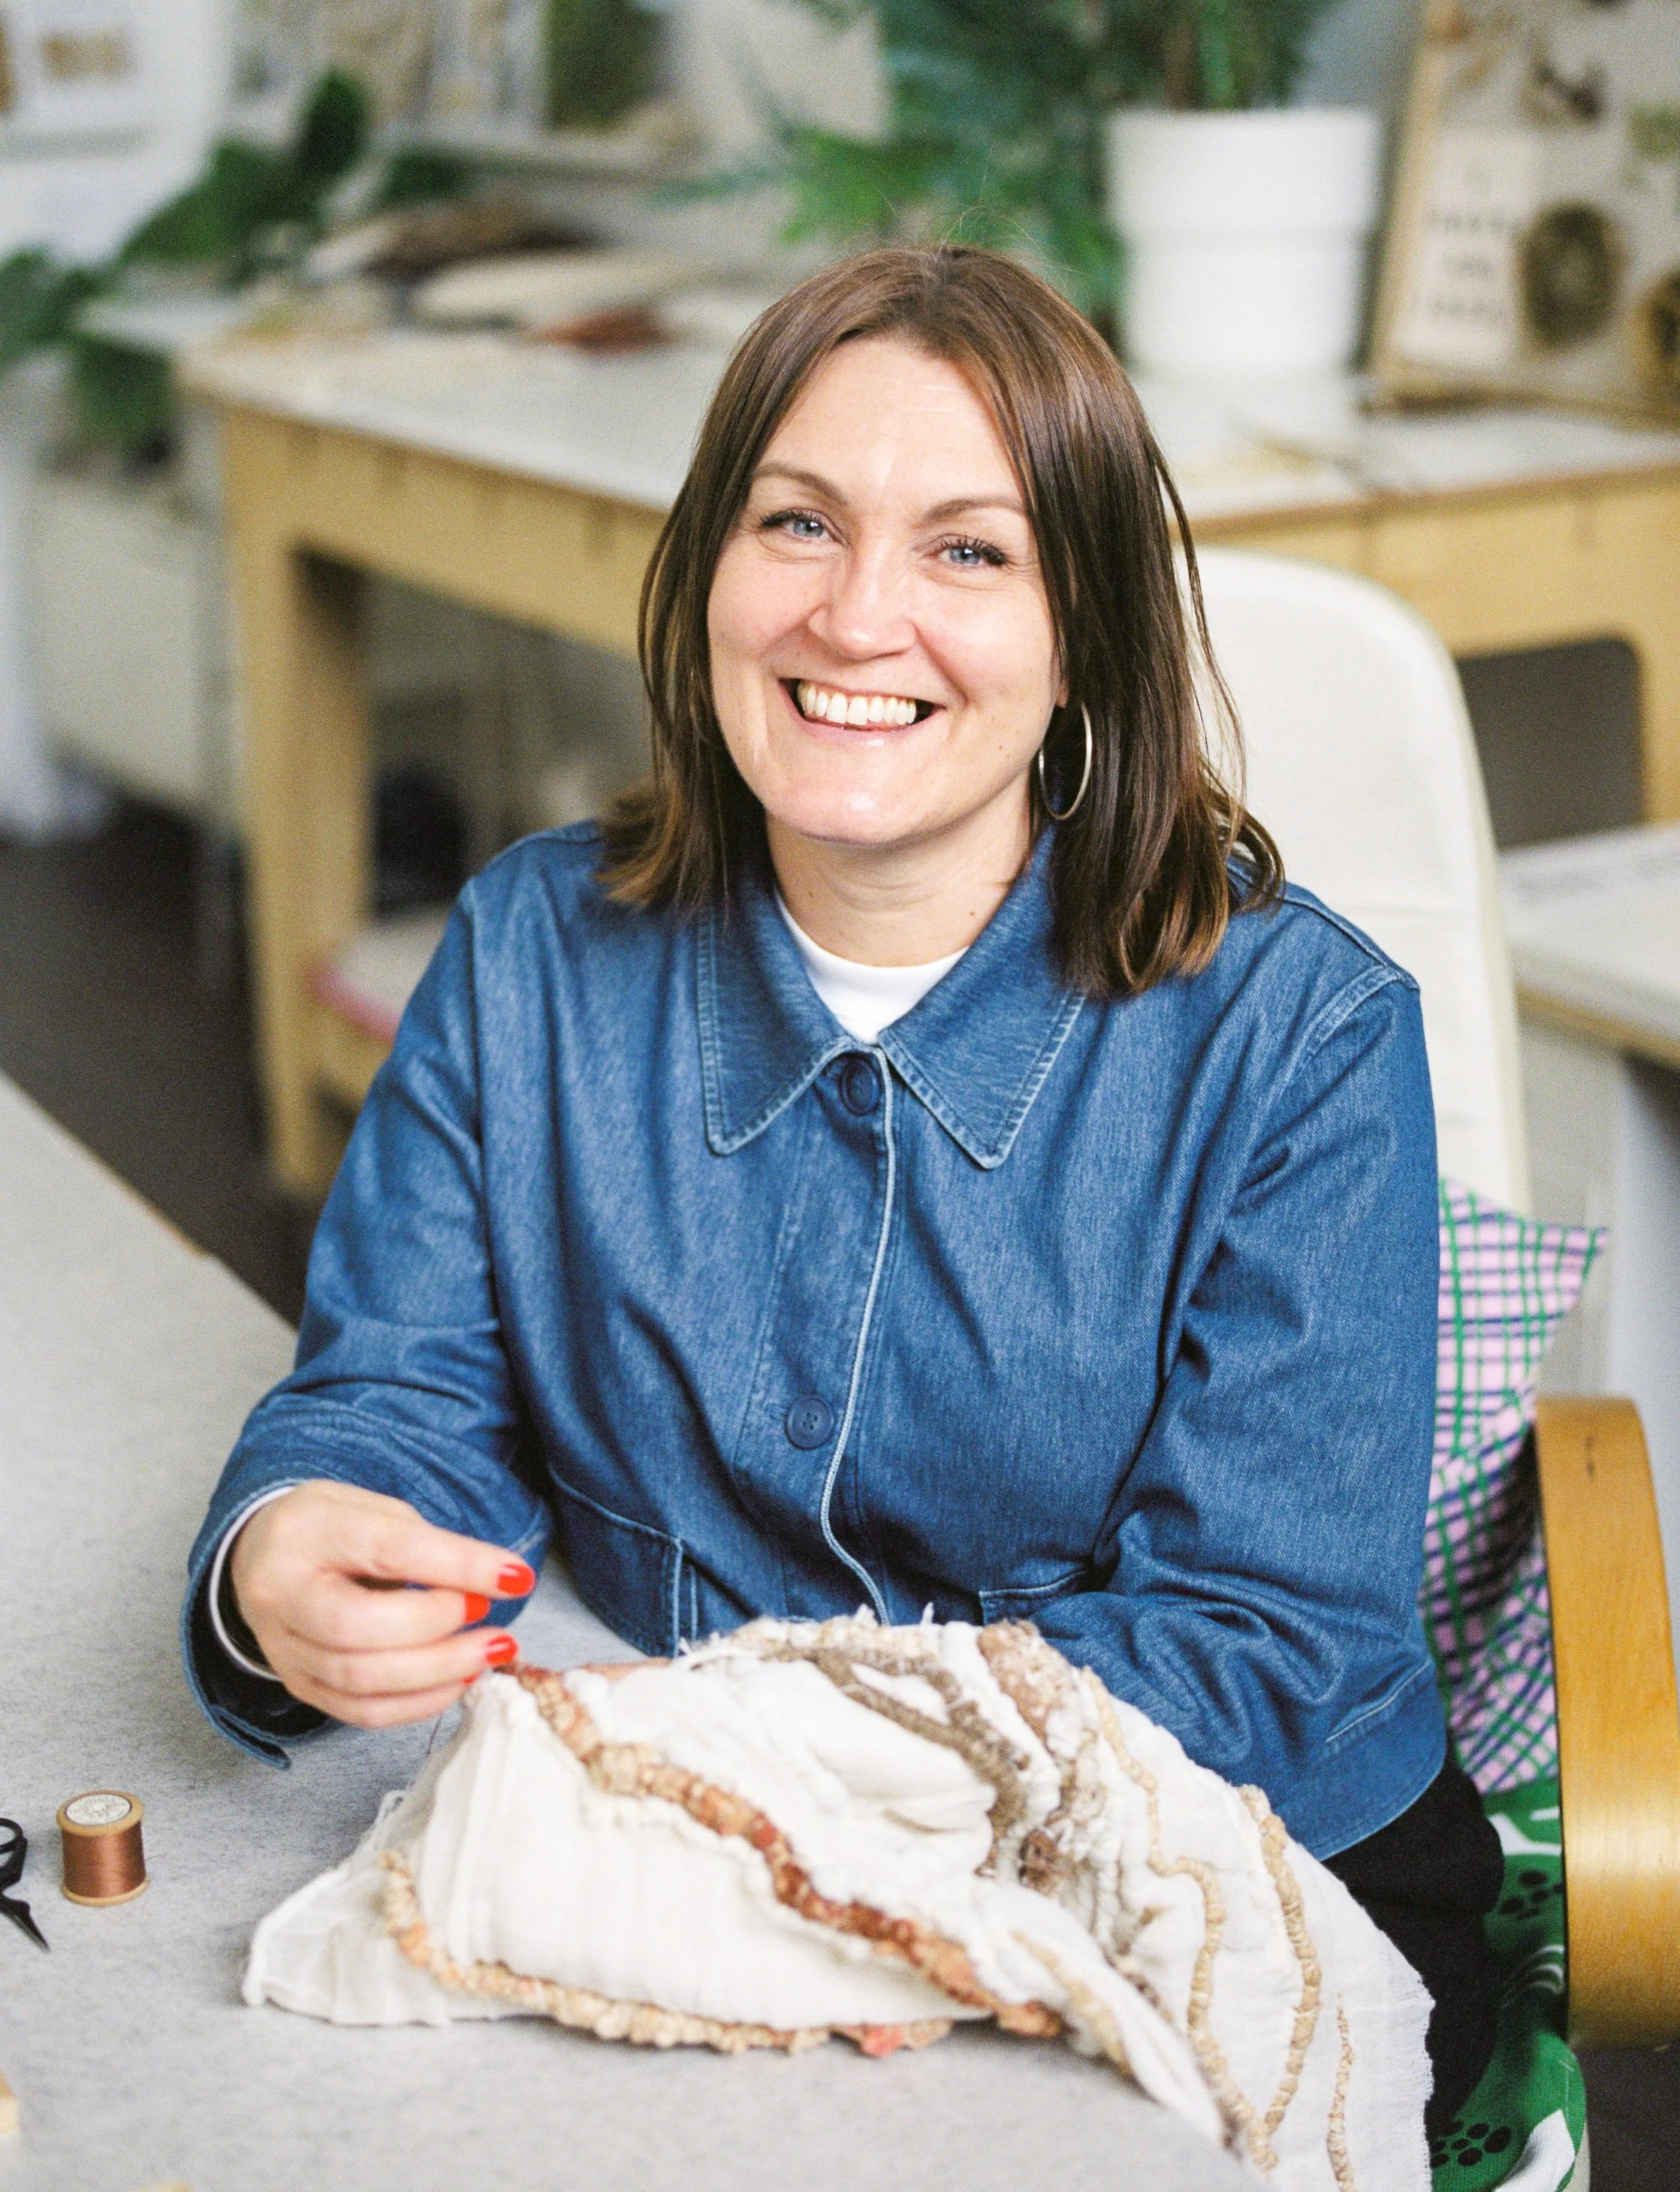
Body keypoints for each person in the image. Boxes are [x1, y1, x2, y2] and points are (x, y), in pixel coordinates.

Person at [182, 245, 1500, 2126]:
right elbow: (399, 1389)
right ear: (706, 572)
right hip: (705, 1849)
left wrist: (753, 1784)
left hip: (1206, 1854)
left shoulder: (1299, 1038)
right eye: (797, 524)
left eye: (969, 551)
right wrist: (295, 1551)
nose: (855, 618)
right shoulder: (526, 950)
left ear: (1085, 640)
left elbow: (1263, 1638)